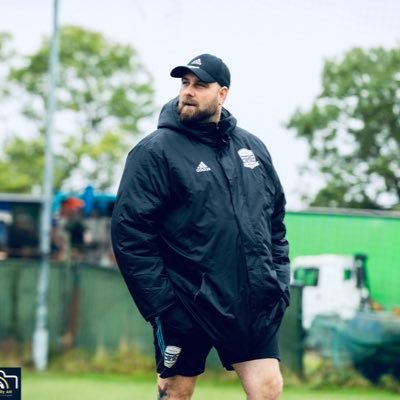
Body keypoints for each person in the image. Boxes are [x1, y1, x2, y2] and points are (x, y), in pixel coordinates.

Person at [111, 53, 290, 400]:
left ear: (222, 94)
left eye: (200, 85)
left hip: (253, 302)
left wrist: (277, 282)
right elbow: (130, 233)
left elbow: (275, 223)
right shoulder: (154, 152)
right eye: (184, 83)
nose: (188, 91)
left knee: (268, 390)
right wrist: (163, 305)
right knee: (176, 393)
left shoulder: (253, 149)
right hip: (186, 302)